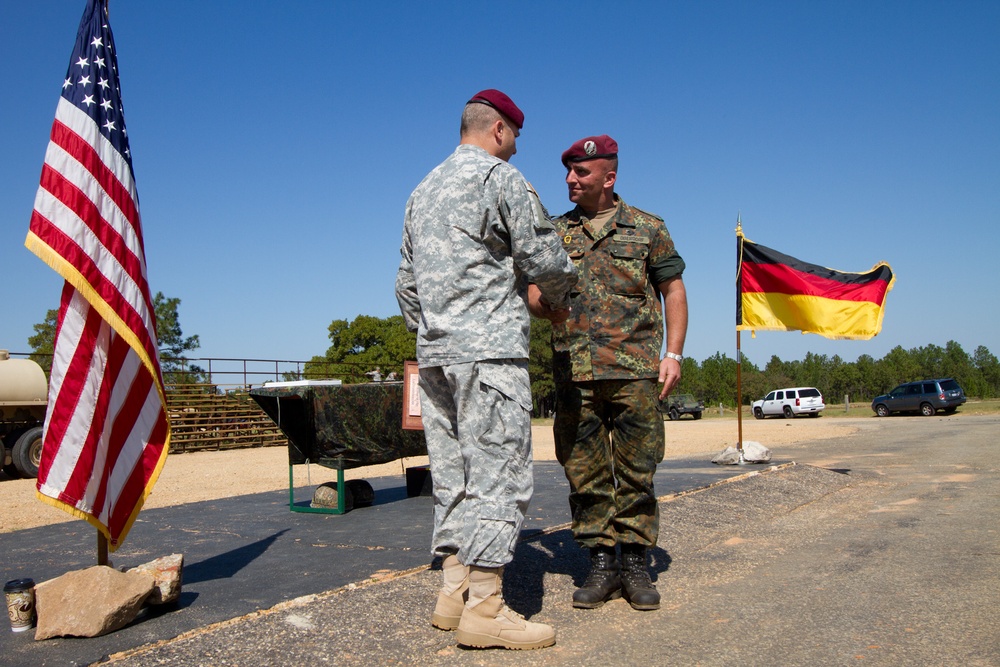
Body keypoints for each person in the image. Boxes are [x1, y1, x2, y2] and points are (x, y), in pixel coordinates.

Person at [395, 89, 577, 650]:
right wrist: (564, 298)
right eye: (515, 139)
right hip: (491, 357)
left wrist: (436, 333)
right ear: (498, 130)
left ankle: (452, 595)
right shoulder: (500, 181)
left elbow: (405, 286)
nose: (516, 149)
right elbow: (546, 258)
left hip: (436, 358)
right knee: (499, 474)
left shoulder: (420, 192)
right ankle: (487, 609)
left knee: (454, 477)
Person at [530, 134, 688, 612]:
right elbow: (533, 296)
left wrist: (673, 355)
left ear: (608, 177)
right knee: (585, 473)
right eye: (569, 171)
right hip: (574, 371)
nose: (570, 180)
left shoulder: (647, 227)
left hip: (636, 369)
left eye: (581, 172)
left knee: (638, 470)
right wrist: (546, 306)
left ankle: (635, 561)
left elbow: (673, 291)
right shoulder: (555, 233)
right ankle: (601, 560)